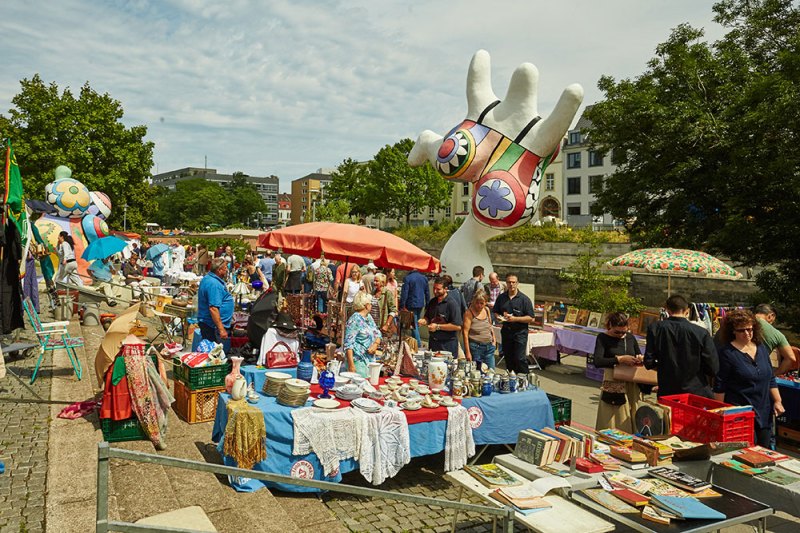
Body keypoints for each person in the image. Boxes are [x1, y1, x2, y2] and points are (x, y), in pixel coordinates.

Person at [714, 309, 784, 447]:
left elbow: (770, 377)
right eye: (742, 330)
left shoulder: (761, 348)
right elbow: (720, 385)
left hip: (763, 411)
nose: (747, 333)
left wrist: (778, 401)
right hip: (740, 414)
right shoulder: (727, 353)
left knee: (764, 450)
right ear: (733, 331)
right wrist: (719, 413)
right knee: (745, 452)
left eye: (750, 329)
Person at [643, 294, 719, 398]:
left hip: (668, 390)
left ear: (667, 310)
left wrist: (665, 367)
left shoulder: (655, 329)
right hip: (696, 390)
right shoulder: (701, 333)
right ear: (687, 311)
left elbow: (648, 362)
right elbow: (713, 368)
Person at [591, 312, 644, 433]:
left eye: (624, 332)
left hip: (631, 382)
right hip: (613, 381)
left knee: (632, 414)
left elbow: (638, 353)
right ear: (610, 326)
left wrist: (639, 358)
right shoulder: (603, 338)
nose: (620, 335)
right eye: (617, 332)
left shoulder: (630, 338)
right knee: (613, 417)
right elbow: (598, 361)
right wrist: (619, 359)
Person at [493, 274, 534, 373]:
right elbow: (496, 311)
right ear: (506, 283)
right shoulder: (501, 297)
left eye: (513, 282)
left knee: (519, 358)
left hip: (520, 333)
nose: (511, 284)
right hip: (506, 331)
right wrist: (498, 317)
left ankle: (525, 378)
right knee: (508, 358)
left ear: (517, 283)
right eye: (509, 282)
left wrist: (515, 319)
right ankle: (511, 378)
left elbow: (531, 318)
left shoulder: (524, 299)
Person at [197, 257, 234, 349]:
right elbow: (213, 308)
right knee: (215, 352)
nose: (226, 271)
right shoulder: (214, 284)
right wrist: (221, 329)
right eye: (225, 268)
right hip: (213, 326)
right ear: (219, 270)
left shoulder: (208, 279)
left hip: (210, 324)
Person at [419, 277, 463, 355]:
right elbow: (428, 317)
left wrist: (438, 327)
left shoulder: (452, 304)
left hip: (447, 344)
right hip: (433, 343)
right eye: (434, 288)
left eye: (438, 289)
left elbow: (457, 326)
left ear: (445, 289)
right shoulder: (432, 302)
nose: (435, 291)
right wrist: (423, 321)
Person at [343, 291, 382, 377]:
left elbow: (377, 333)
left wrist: (375, 344)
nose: (371, 305)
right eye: (370, 303)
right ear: (366, 305)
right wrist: (351, 366)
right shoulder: (354, 319)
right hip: (358, 361)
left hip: (370, 360)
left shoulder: (368, 317)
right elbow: (348, 344)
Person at [753, 304, 797, 376]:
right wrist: (774, 374)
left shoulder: (740, 321)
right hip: (757, 372)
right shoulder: (777, 334)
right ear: (771, 316)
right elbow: (791, 358)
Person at [462, 291, 496, 369]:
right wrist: (467, 352)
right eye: (477, 303)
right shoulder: (469, 313)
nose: (479, 305)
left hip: (489, 346)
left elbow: (490, 325)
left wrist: (494, 340)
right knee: (477, 372)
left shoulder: (486, 309)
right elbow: (465, 332)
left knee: (491, 371)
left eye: (482, 303)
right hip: (476, 347)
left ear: (485, 303)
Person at [400, 269, 430, 347]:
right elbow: (427, 292)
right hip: (420, 304)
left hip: (410, 304)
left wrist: (402, 305)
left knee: (413, 325)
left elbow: (404, 293)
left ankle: (418, 344)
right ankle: (415, 344)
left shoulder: (408, 278)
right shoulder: (424, 278)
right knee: (415, 324)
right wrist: (428, 304)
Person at [372, 272, 398, 338]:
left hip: (381, 326)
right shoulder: (372, 293)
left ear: (382, 283)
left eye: (377, 281)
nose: (374, 283)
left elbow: (393, 310)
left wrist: (387, 325)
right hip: (372, 325)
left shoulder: (387, 293)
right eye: (374, 281)